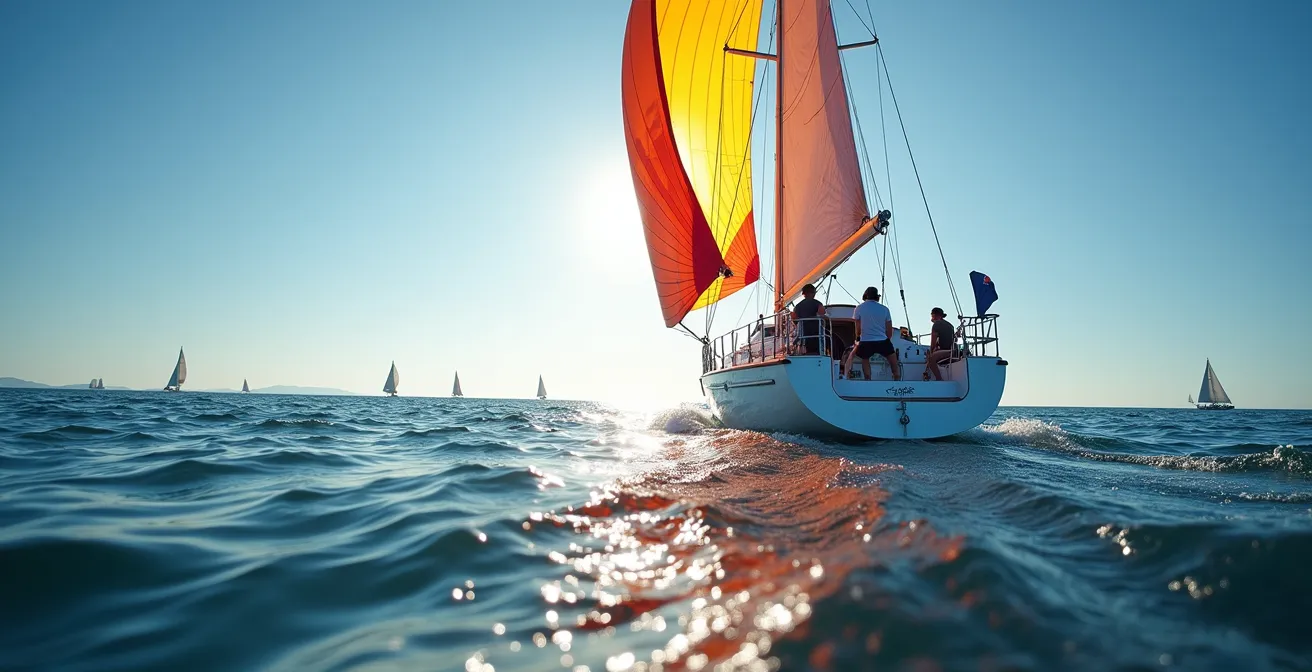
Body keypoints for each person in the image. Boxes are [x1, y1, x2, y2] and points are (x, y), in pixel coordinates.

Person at [844, 286, 900, 380]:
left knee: (865, 359)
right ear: (877, 297)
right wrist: (887, 341)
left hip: (866, 341)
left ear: (865, 295)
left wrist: (858, 340)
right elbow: (889, 331)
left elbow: (858, 329)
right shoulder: (884, 309)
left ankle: (868, 380)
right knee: (894, 363)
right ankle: (897, 379)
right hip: (882, 340)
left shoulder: (859, 308)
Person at [790, 283, 826, 355]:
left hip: (803, 335)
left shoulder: (798, 306)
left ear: (804, 294)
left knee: (805, 350)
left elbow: (794, 319)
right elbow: (822, 315)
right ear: (813, 293)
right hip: (816, 334)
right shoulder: (818, 303)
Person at [925, 307, 956, 381]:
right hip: (953, 350)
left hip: (947, 351)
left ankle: (939, 378)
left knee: (931, 358)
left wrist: (930, 353)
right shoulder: (950, 325)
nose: (932, 318)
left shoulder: (936, 324)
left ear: (935, 315)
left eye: (932, 316)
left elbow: (933, 343)